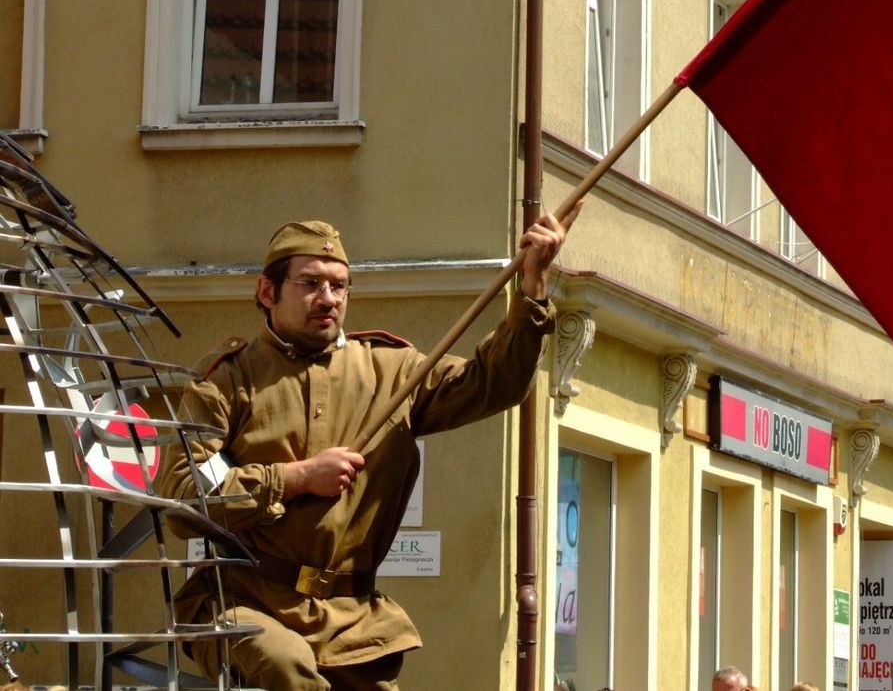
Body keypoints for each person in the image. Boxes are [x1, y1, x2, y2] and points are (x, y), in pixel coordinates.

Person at [158, 210, 578, 690]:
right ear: (267, 292)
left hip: (352, 621)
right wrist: (296, 478)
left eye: (339, 286)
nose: (328, 298)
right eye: (311, 283)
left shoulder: (394, 372)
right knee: (287, 668)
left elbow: (494, 384)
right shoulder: (227, 381)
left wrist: (533, 286)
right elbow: (184, 497)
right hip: (244, 604)